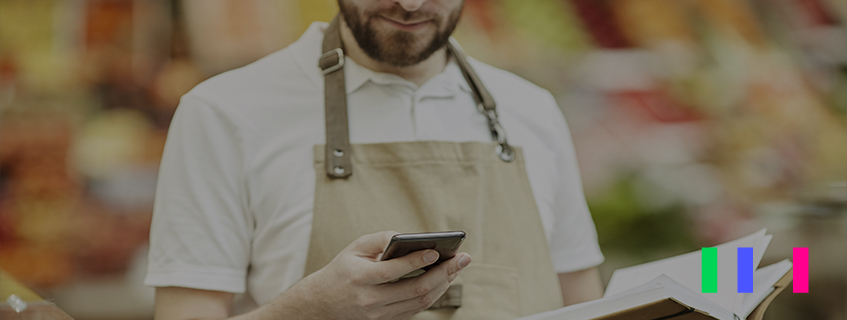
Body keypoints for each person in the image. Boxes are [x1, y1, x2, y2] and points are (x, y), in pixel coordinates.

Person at [145, 0, 605, 319]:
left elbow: (585, 303)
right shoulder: (223, 112)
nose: (409, 4)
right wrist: (310, 312)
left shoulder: (532, 109)